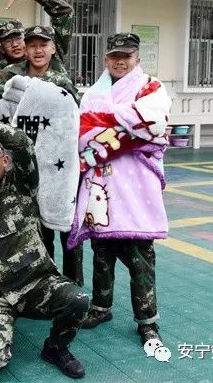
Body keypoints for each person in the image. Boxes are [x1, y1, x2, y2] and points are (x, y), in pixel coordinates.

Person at [0, 118, 89, 379]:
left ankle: (56, 349)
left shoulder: (22, 184)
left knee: (77, 299)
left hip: (35, 284)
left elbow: (23, 143)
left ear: (4, 161)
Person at [75, 33, 170, 345]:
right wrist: (125, 124)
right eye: (115, 56)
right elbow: (82, 133)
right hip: (102, 183)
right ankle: (101, 307)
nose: (120, 61)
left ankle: (147, 321)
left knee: (141, 256)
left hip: (137, 185)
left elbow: (154, 124)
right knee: (102, 251)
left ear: (137, 59)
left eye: (126, 56)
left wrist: (104, 122)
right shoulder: (93, 92)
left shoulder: (151, 87)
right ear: (106, 59)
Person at [0, 24, 84, 287]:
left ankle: (74, 285)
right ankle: (46, 284)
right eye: (32, 45)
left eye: (43, 45)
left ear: (52, 48)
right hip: (24, 164)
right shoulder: (10, 75)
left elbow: (74, 118)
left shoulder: (61, 80)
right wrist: (24, 101)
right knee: (37, 231)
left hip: (58, 164)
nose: (38, 50)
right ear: (25, 48)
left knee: (68, 229)